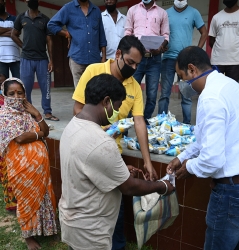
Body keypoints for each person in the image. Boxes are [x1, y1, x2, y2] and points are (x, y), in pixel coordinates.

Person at [167, 46, 239, 250]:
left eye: (181, 77)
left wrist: (189, 167)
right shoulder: (230, 85)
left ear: (192, 69)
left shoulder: (210, 97)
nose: (182, 85)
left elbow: (212, 159)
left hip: (235, 193)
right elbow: (205, 139)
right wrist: (183, 156)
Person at [60, 73, 175, 250]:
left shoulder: (74, 124)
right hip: (91, 232)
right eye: (118, 106)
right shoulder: (101, 141)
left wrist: (119, 169)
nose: (118, 113)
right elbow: (129, 187)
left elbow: (87, 166)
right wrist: (163, 186)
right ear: (106, 102)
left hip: (73, 221)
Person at [73, 35, 157, 250]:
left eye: (138, 65)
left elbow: (139, 121)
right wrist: (100, 132)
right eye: (130, 62)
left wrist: (147, 161)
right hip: (89, 148)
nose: (134, 68)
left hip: (113, 152)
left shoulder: (134, 87)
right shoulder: (94, 71)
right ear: (118, 54)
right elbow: (78, 109)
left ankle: (116, 245)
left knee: (116, 204)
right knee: (92, 202)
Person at [0, 77, 57, 250]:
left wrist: (37, 114)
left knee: (44, 198)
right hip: (21, 169)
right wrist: (38, 134)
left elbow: (46, 131)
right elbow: (20, 138)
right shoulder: (3, 116)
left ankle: (46, 229)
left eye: (20, 93)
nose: (16, 97)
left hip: (40, 169)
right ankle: (28, 236)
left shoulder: (29, 113)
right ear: (4, 94)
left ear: (25, 94)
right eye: (12, 94)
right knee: (26, 202)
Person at [158, 0, 207, 124]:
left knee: (186, 95)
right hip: (168, 58)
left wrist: (196, 50)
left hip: (185, 60)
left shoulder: (194, 13)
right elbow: (159, 33)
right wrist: (160, 45)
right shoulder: (165, 13)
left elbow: (204, 32)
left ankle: (186, 124)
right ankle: (160, 123)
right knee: (164, 94)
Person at [11, 0, 59, 121]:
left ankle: (47, 112)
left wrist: (51, 60)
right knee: (26, 88)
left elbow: (49, 40)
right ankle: (29, 112)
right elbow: (14, 34)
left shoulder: (45, 19)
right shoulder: (21, 17)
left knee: (46, 88)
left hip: (42, 59)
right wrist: (23, 46)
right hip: (26, 59)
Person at [125, 0, 169, 121]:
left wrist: (161, 46)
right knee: (130, 91)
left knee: (152, 94)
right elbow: (128, 32)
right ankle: (127, 122)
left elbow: (166, 35)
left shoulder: (162, 13)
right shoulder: (132, 10)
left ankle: (145, 122)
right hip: (136, 59)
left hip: (154, 59)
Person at [47, 0, 107, 87]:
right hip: (77, 58)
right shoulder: (68, 8)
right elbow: (51, 24)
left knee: (95, 91)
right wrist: (66, 33)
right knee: (80, 93)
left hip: (95, 59)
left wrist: (103, 58)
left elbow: (102, 35)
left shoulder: (96, 10)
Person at [208, 0, 239, 82]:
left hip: (235, 62)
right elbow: (211, 41)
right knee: (216, 87)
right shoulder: (216, 17)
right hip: (217, 61)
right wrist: (220, 51)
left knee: (232, 89)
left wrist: (236, 52)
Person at [0, 73, 17, 212]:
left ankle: (19, 202)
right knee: (6, 174)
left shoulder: (15, 102)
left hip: (16, 148)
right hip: (4, 145)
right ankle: (11, 204)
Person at [0, 0, 20, 78]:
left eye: (0, 2)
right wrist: (11, 30)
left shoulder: (14, 18)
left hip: (15, 56)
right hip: (0, 58)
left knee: (19, 81)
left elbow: (17, 32)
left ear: (4, 3)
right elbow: (14, 32)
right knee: (2, 84)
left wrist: (2, 32)